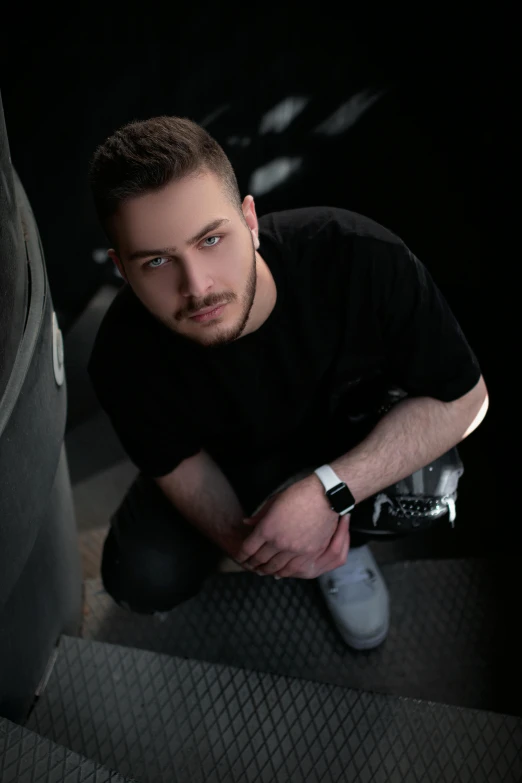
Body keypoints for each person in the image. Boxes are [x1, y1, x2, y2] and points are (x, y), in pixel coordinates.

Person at [86, 116, 488, 651]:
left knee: (429, 487)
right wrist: (260, 546)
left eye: (211, 239)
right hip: (229, 464)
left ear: (250, 220)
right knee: (140, 578)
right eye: (156, 261)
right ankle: (306, 544)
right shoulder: (121, 356)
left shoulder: (357, 256)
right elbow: (177, 461)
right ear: (122, 269)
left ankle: (346, 544)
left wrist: (329, 493)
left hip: (346, 437)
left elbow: (467, 398)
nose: (197, 286)